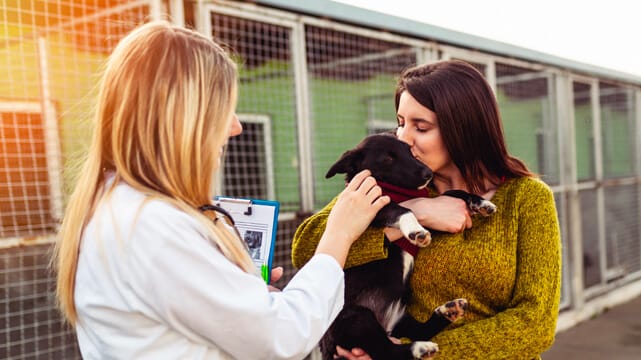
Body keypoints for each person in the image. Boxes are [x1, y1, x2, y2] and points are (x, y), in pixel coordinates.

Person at [52, 21, 390, 360]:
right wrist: (338, 238)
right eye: (224, 109)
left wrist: (241, 291)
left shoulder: (115, 207)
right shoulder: (154, 227)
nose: (236, 126)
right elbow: (281, 335)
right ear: (183, 119)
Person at [292, 59, 561, 359]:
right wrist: (415, 210)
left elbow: (535, 324)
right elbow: (307, 250)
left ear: (464, 129)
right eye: (401, 122)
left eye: (421, 127)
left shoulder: (527, 198)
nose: (404, 138)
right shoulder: (390, 183)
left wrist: (412, 355)